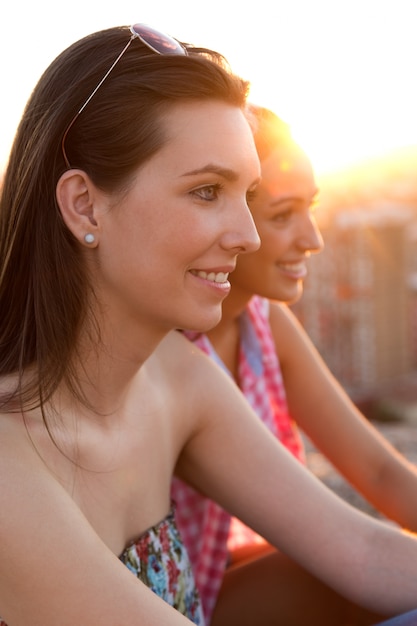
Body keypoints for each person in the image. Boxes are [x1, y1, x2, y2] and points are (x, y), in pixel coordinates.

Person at [1, 23, 417, 626]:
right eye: (205, 191)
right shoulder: (10, 463)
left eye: (246, 194)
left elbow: (360, 552)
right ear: (84, 205)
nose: (246, 236)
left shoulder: (178, 380)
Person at [173, 104, 417, 626]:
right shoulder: (170, 357)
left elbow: (378, 470)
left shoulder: (264, 320)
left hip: (229, 576)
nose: (313, 239)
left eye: (311, 208)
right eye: (283, 216)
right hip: (173, 607)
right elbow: (356, 552)